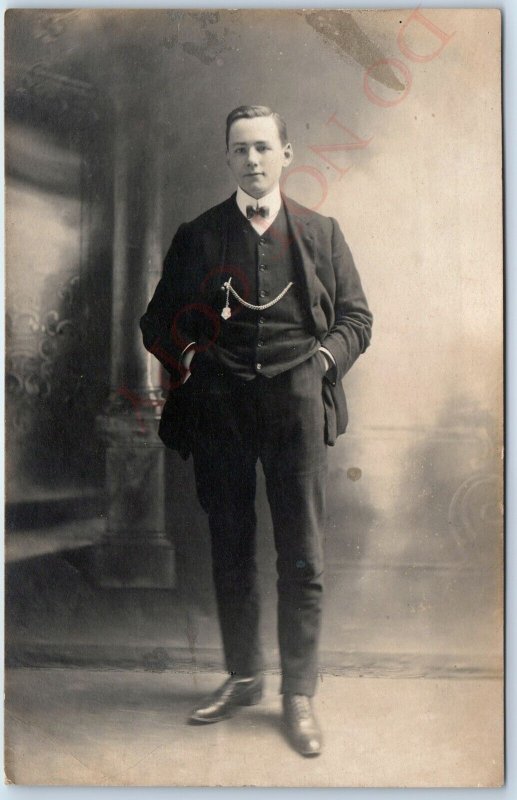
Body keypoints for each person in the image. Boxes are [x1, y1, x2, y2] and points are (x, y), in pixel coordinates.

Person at [140, 105, 373, 757]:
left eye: (263, 147)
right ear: (228, 159)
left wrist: (320, 363)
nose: (252, 159)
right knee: (231, 547)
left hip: (295, 409)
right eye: (239, 149)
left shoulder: (322, 234)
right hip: (220, 410)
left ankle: (297, 695)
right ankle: (244, 677)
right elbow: (157, 322)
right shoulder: (198, 235)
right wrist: (193, 361)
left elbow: (356, 318)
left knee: (302, 552)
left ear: (286, 154)